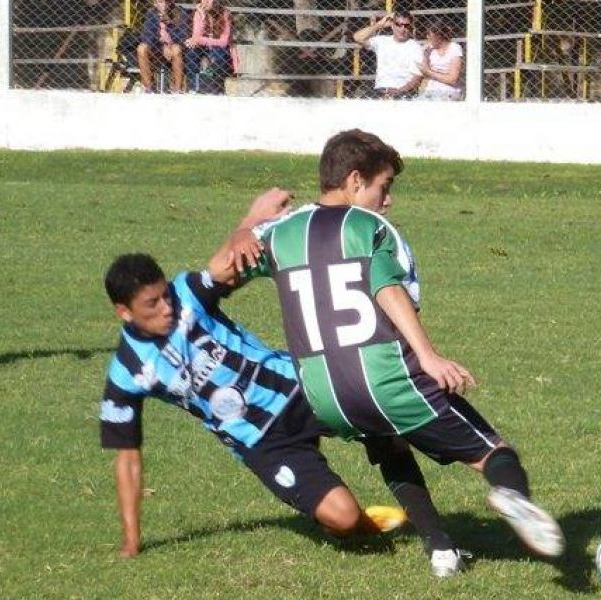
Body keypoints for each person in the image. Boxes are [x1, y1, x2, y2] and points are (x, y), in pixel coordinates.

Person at [216, 130, 565, 577]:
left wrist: (244, 226)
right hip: (383, 380)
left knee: (389, 443)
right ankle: (512, 496)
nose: (389, 200)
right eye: (385, 186)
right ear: (355, 181)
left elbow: (224, 268)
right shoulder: (371, 229)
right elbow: (388, 288)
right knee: (494, 452)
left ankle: (441, 551)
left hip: (324, 395)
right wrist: (430, 356)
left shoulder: (282, 233)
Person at [100, 225, 412, 557]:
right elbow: (128, 458)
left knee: (392, 424)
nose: (166, 307)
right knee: (344, 519)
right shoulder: (126, 374)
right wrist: (131, 541)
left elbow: (230, 263)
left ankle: (430, 524)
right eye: (152, 303)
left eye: (165, 295)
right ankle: (353, 525)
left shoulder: (187, 294)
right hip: (263, 442)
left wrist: (252, 220)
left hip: (300, 387)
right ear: (124, 311)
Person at [353, 11, 423, 99]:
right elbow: (358, 38)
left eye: (406, 25)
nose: (402, 29)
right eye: (398, 24)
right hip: (380, 90)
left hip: (403, 92)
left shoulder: (415, 47)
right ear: (392, 26)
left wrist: (398, 91)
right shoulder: (382, 41)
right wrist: (379, 25)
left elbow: (417, 78)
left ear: (410, 27)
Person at [184, 0, 236, 94]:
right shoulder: (198, 13)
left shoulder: (225, 14)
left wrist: (200, 40)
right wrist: (203, 17)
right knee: (191, 54)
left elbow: (224, 42)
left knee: (219, 56)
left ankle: (217, 87)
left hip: (219, 48)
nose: (206, 2)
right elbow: (196, 36)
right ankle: (193, 87)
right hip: (203, 47)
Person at [138, 0, 189, 93]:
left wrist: (170, 23)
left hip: (173, 46)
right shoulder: (151, 13)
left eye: (167, 2)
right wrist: (163, 45)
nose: (165, 5)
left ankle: (177, 89)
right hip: (156, 47)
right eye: (161, 2)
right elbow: (146, 36)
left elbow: (183, 36)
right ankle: (148, 88)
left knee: (176, 49)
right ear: (155, 3)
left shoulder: (180, 13)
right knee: (141, 48)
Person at [417, 20, 463, 100]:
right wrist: (425, 56)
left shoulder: (454, 48)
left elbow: (452, 79)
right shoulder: (429, 49)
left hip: (449, 91)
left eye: (429, 34)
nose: (427, 37)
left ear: (438, 35)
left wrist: (429, 72)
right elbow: (424, 72)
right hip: (431, 90)